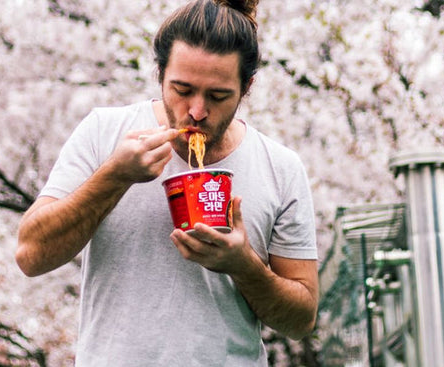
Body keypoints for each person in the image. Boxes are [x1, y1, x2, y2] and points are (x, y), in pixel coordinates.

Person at [16, 0, 319, 365]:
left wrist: (243, 265)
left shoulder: (280, 168)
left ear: (247, 87)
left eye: (218, 96)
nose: (197, 110)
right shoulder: (104, 132)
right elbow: (31, 255)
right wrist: (115, 175)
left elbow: (302, 319)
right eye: (182, 89)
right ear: (160, 73)